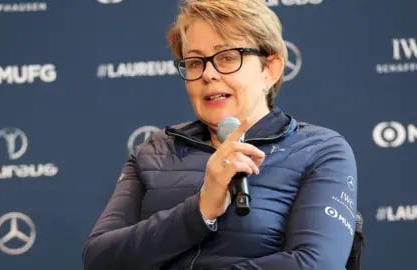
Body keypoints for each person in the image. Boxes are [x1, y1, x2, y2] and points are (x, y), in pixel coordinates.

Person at [83, 0, 358, 269]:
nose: (208, 74)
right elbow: (99, 259)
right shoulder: (154, 151)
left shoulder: (320, 150)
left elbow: (316, 263)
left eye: (227, 57)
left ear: (270, 69)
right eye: (194, 63)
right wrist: (200, 209)